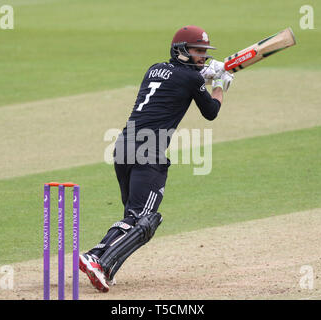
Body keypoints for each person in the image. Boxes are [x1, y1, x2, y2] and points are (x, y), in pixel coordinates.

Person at [79, 25, 234, 292]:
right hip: (148, 151)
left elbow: (182, 79)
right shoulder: (191, 79)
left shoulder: (154, 69)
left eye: (205, 52)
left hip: (123, 145)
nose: (203, 56)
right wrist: (220, 85)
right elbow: (210, 112)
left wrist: (207, 73)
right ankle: (96, 258)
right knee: (145, 219)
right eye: (198, 51)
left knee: (132, 215)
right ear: (181, 50)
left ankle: (105, 264)